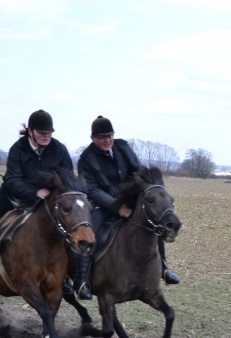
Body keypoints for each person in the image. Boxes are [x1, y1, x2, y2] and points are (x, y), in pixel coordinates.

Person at [0, 110, 74, 278]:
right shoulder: (18, 149)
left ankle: (68, 273)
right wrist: (34, 192)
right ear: (30, 131)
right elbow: (12, 179)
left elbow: (67, 174)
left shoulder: (59, 149)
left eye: (49, 133)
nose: (46, 136)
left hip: (47, 198)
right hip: (14, 195)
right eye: (42, 133)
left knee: (67, 225)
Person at [77, 115, 180, 297]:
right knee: (90, 233)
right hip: (104, 205)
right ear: (93, 139)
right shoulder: (86, 159)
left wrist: (145, 190)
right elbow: (92, 189)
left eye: (110, 136)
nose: (107, 140)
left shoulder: (122, 146)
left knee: (153, 224)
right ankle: (83, 280)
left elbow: (138, 170)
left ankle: (164, 267)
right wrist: (117, 207)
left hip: (130, 199)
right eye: (102, 137)